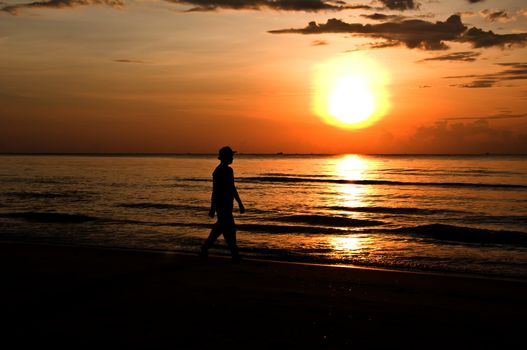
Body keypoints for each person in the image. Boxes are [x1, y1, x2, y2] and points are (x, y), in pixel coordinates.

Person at [200, 146, 245, 261]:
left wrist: (239, 203)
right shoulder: (219, 172)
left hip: (226, 205)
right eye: (231, 156)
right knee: (229, 229)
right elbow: (216, 191)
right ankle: (235, 254)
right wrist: (212, 208)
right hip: (222, 205)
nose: (232, 158)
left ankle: (205, 248)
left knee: (221, 228)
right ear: (225, 157)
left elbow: (232, 188)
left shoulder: (227, 170)